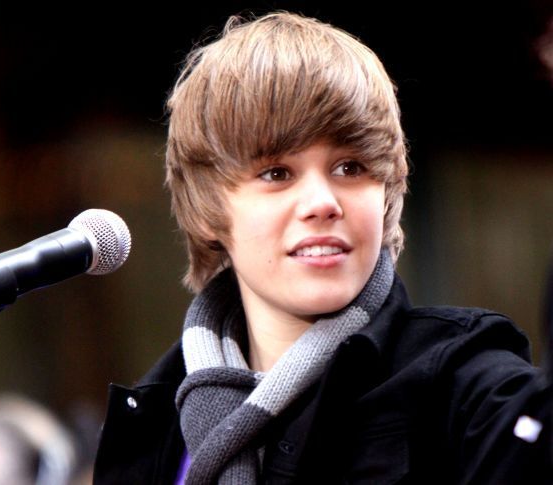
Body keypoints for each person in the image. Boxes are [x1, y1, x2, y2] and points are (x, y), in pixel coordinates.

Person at [93, 11, 552, 484]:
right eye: (277, 173)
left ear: (386, 192)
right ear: (209, 208)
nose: (322, 203)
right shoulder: (154, 421)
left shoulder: (463, 382)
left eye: (351, 167)